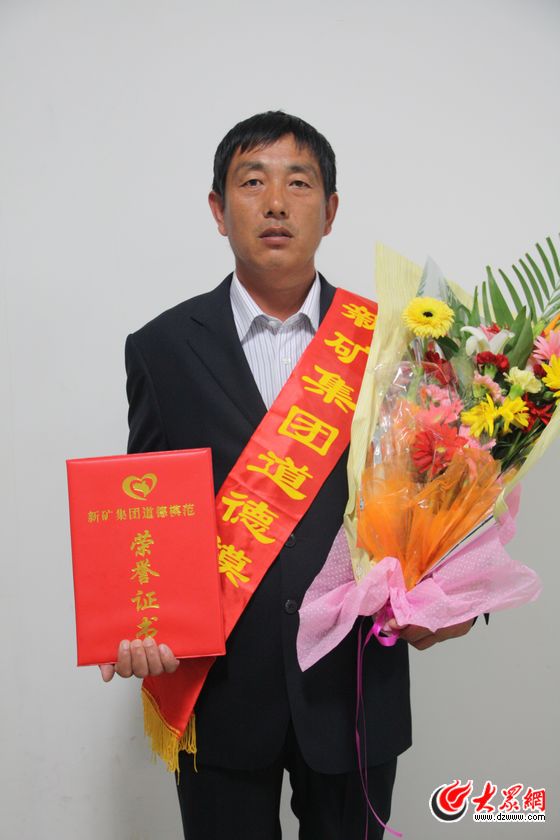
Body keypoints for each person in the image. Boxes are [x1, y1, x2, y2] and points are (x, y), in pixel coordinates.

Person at [100, 111, 473, 839]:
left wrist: (451, 599)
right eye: (252, 182)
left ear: (330, 211)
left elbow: (442, 495)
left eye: (298, 183)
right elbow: (147, 506)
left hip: (355, 686)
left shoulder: (394, 344)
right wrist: (139, 621)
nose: (275, 203)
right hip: (222, 693)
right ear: (218, 210)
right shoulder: (162, 348)